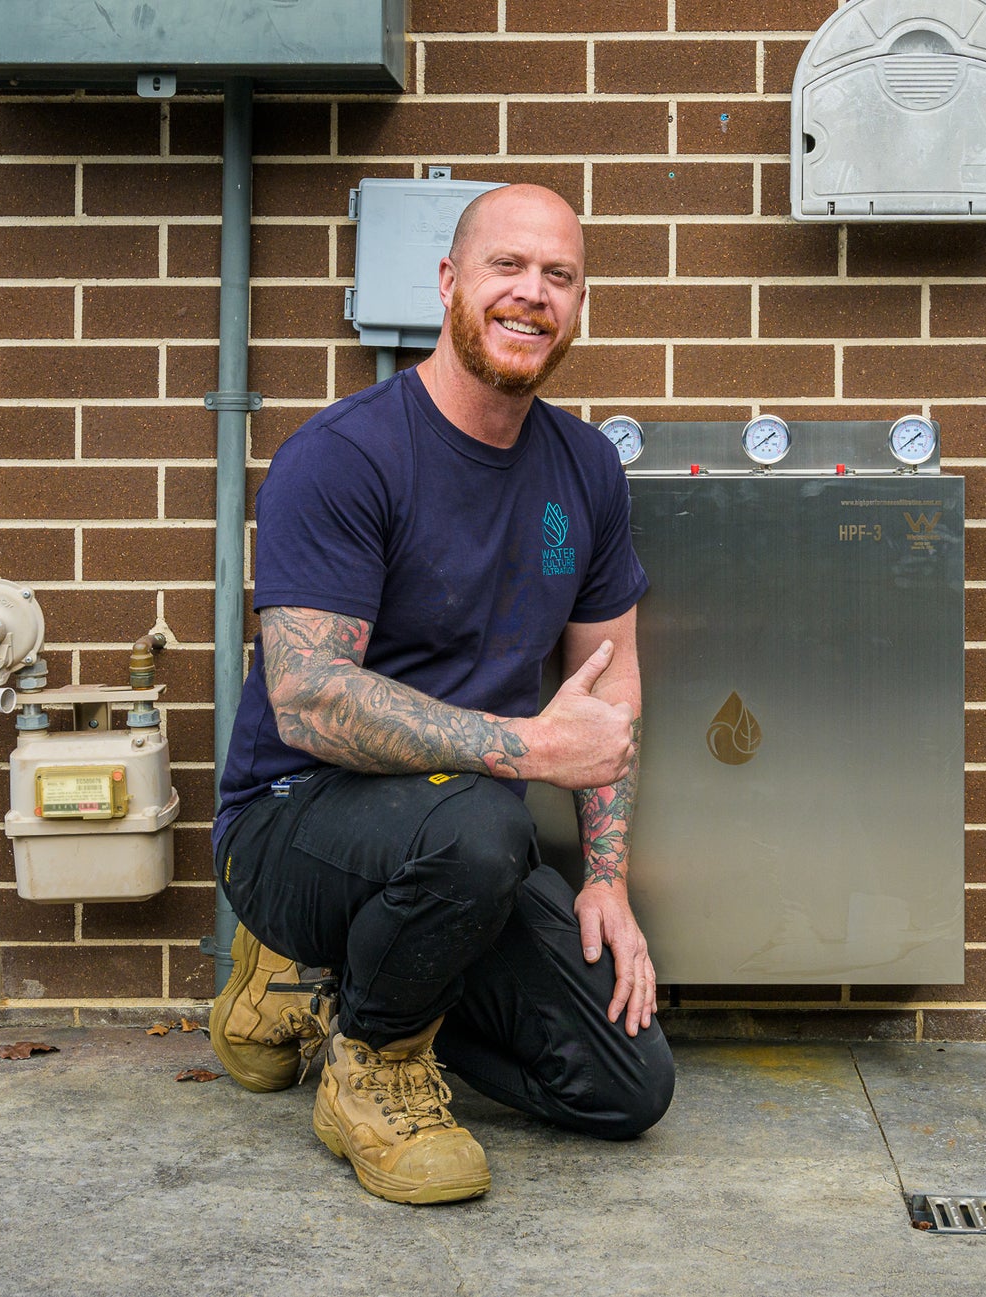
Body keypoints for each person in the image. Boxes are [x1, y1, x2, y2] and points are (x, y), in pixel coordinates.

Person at [208, 184, 674, 1205]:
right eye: (506, 267)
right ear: (449, 284)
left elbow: (608, 690)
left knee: (624, 1085)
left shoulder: (585, 467)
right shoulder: (344, 456)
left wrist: (604, 878)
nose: (531, 295)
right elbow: (308, 700)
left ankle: (342, 992)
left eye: (558, 276)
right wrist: (523, 751)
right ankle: (369, 1062)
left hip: (460, 847)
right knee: (478, 828)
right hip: (292, 822)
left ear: (579, 304)